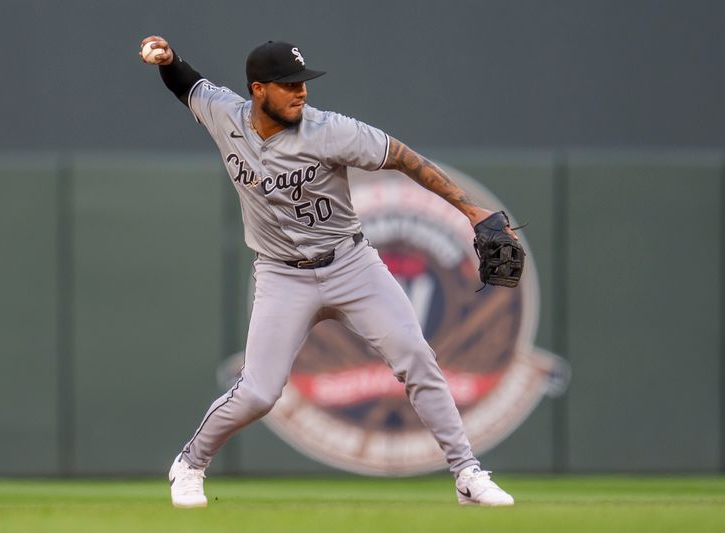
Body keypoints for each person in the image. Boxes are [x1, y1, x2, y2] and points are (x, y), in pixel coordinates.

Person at [139, 35, 518, 508]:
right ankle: (191, 463)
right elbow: (187, 85)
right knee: (258, 393)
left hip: (351, 265)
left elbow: (402, 156)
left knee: (416, 358)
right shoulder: (225, 114)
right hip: (282, 275)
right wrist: (168, 59)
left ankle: (467, 474)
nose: (301, 92)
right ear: (258, 89)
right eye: (288, 84)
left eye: (303, 83)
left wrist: (469, 209)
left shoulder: (331, 130)